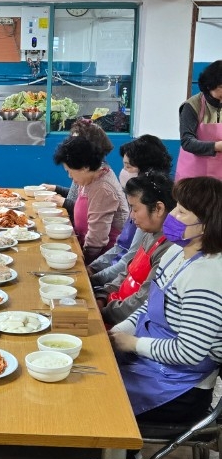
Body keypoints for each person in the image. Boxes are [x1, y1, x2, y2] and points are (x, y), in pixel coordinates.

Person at [83, 176, 222, 459]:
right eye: (176, 207)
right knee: (89, 372)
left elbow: (189, 352)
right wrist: (121, 331)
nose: (172, 215)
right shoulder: (178, 252)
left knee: (97, 398)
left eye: (183, 212)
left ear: (209, 225)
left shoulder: (209, 276)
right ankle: (114, 456)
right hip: (152, 362)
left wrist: (132, 345)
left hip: (181, 387)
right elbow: (149, 304)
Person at [89, 134, 173, 285]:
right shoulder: (137, 203)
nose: (123, 171)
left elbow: (129, 261)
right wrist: (92, 269)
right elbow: (120, 247)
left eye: (128, 166)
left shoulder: (150, 216)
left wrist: (93, 280)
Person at [95, 170, 174, 327]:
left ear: (158, 208)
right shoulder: (149, 233)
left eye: (135, 209)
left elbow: (143, 299)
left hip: (128, 322)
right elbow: (127, 272)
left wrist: (103, 313)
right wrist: (103, 295)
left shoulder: (168, 248)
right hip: (114, 307)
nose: (131, 215)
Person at [53, 134, 129, 262]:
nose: (69, 176)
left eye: (69, 171)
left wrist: (83, 262)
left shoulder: (103, 189)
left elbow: (96, 240)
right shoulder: (88, 178)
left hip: (103, 259)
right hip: (84, 245)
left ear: (85, 167)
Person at [48, 120, 113, 223]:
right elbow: (78, 195)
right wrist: (57, 188)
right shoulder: (82, 167)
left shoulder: (96, 173)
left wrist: (64, 202)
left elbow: (89, 210)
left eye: (75, 142)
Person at [176, 60, 222, 180]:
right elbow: (187, 142)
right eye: (221, 87)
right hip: (194, 176)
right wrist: (216, 146)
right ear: (209, 86)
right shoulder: (192, 106)